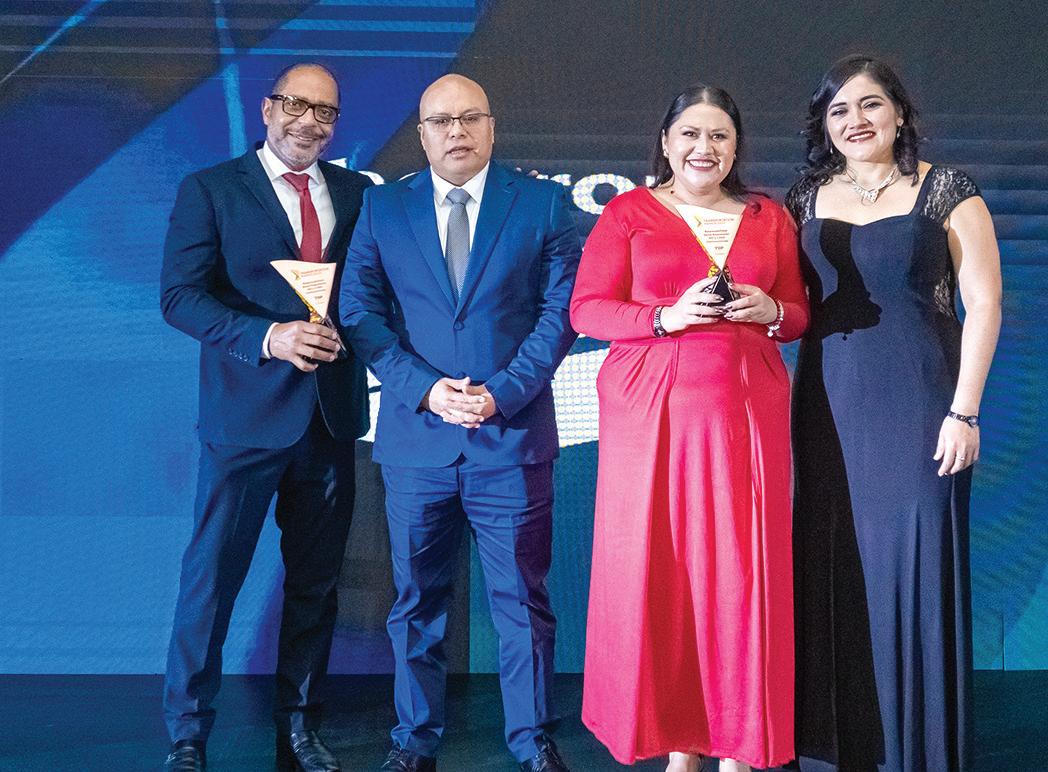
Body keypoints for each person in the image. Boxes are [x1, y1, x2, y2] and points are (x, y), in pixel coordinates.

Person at [338, 74, 580, 772]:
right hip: (417, 442)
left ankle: (532, 741)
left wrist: (502, 394)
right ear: (422, 134)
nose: (456, 132)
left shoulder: (542, 203)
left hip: (511, 439)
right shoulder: (383, 208)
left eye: (470, 117)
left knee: (522, 604)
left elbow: (559, 313)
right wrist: (425, 390)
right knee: (415, 603)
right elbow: (358, 311)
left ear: (492, 126)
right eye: (441, 121)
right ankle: (413, 742)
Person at [571, 84, 809, 772]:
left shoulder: (768, 216)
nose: (705, 148)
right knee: (664, 574)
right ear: (666, 143)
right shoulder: (628, 212)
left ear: (736, 147)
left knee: (737, 576)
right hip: (650, 415)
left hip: (745, 414)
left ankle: (739, 743)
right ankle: (681, 745)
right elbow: (587, 310)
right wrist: (664, 317)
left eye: (719, 136)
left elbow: (797, 313)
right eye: (691, 134)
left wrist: (770, 310)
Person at [785, 55, 1002, 772]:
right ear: (824, 125)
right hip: (826, 407)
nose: (856, 121)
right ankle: (836, 753)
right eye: (839, 110)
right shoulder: (804, 198)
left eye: (870, 104)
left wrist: (965, 412)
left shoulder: (946, 189)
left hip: (922, 405)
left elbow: (984, 304)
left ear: (900, 112)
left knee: (914, 564)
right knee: (831, 560)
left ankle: (919, 751)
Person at [159, 63, 372, 772]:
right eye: (296, 105)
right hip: (243, 421)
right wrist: (268, 336)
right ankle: (188, 733)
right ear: (267, 108)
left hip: (330, 421)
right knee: (211, 581)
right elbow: (179, 297)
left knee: (315, 586)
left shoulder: (357, 193)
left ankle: (299, 727)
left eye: (326, 112)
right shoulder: (212, 189)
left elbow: (371, 292)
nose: (309, 122)